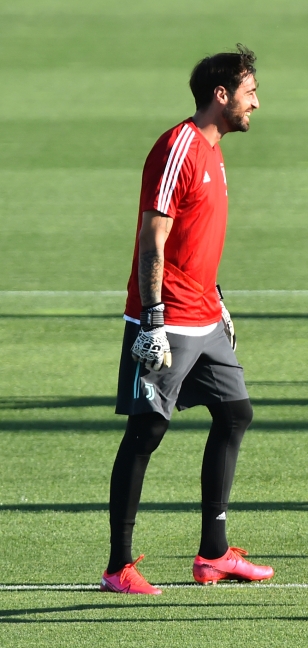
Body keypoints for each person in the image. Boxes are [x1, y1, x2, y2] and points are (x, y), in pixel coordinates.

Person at [101, 45, 273, 595]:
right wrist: (152, 319)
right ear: (220, 96)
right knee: (146, 431)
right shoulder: (179, 147)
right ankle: (117, 566)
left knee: (235, 413)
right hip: (168, 319)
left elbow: (195, 241)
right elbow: (154, 237)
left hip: (204, 316)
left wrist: (217, 298)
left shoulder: (214, 150)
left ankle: (214, 554)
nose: (257, 103)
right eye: (249, 93)